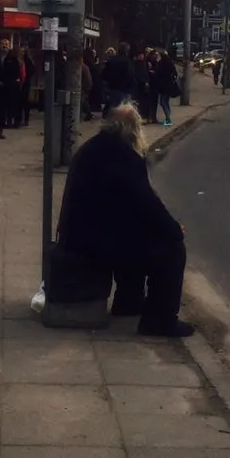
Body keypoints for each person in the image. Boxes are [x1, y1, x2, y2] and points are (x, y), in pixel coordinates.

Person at [55, 102, 192, 338]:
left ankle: (128, 302)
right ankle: (160, 320)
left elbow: (129, 204)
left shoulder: (94, 148)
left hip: (78, 234)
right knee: (171, 249)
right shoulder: (124, 157)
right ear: (133, 130)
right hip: (93, 242)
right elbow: (147, 204)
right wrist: (173, 230)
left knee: (136, 239)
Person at [101, 42, 136, 117]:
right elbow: (130, 75)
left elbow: (104, 74)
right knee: (124, 110)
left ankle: (112, 121)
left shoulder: (111, 60)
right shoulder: (127, 61)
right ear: (126, 51)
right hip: (124, 89)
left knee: (113, 107)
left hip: (112, 87)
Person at [154, 51, 178, 127]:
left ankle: (168, 118)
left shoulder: (161, 63)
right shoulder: (170, 62)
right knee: (166, 102)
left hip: (163, 85)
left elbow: (158, 73)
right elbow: (175, 73)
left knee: (162, 102)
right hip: (169, 85)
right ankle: (168, 118)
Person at [80, 49, 96, 122]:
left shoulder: (82, 67)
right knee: (84, 100)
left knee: (83, 100)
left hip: (83, 87)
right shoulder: (86, 67)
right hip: (87, 86)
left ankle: (88, 113)